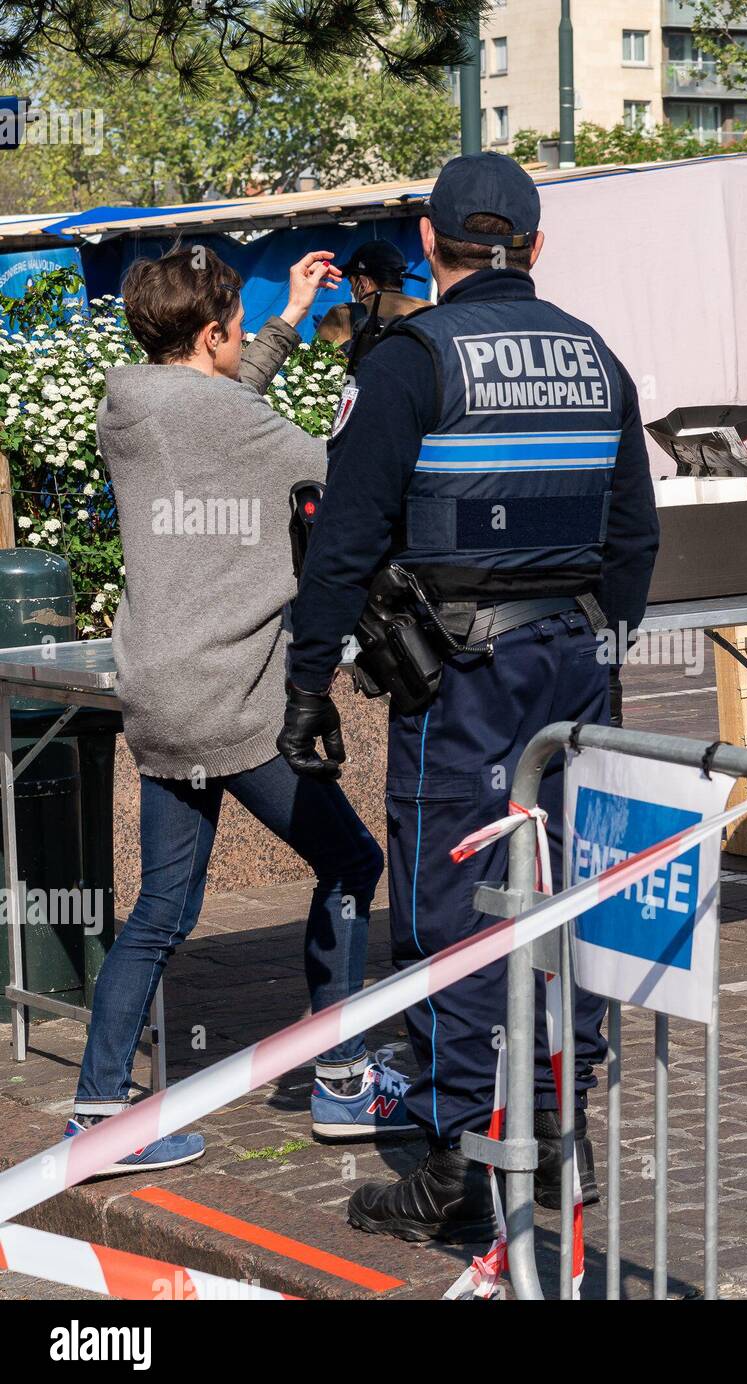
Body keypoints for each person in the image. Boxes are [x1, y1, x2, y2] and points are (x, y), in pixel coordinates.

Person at [278, 153, 660, 1243]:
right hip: (575, 671)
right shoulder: (597, 358)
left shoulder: (407, 360)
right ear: (536, 248)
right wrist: (596, 639)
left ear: (431, 246)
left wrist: (310, 685)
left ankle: (460, 1162)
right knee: (572, 899)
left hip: (464, 680)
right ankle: (555, 1132)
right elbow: (634, 537)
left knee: (455, 909)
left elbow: (344, 541)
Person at [69, 246, 414, 1174]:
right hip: (235, 707)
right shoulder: (239, 428)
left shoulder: (129, 407)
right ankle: (344, 1075)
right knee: (351, 861)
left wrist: (288, 319)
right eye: (236, 329)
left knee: (159, 914)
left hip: (157, 701)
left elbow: (225, 402)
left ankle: (98, 1114)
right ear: (213, 332)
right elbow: (349, 472)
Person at [315, 238, 431, 352]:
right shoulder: (429, 311)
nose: (351, 289)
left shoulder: (342, 315)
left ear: (363, 283)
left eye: (351, 282)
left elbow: (312, 365)